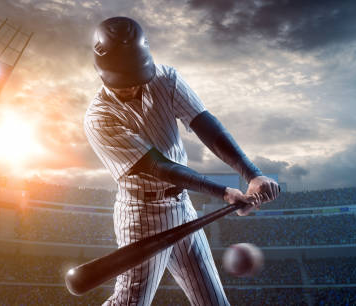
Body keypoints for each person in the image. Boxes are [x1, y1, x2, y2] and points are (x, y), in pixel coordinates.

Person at [84, 16, 280, 306]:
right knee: (129, 303)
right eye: (125, 82)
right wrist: (223, 192)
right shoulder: (99, 118)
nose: (134, 87)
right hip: (141, 215)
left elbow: (205, 125)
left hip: (182, 207)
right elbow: (159, 167)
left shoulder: (165, 78)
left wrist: (252, 174)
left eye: (138, 77)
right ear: (104, 72)